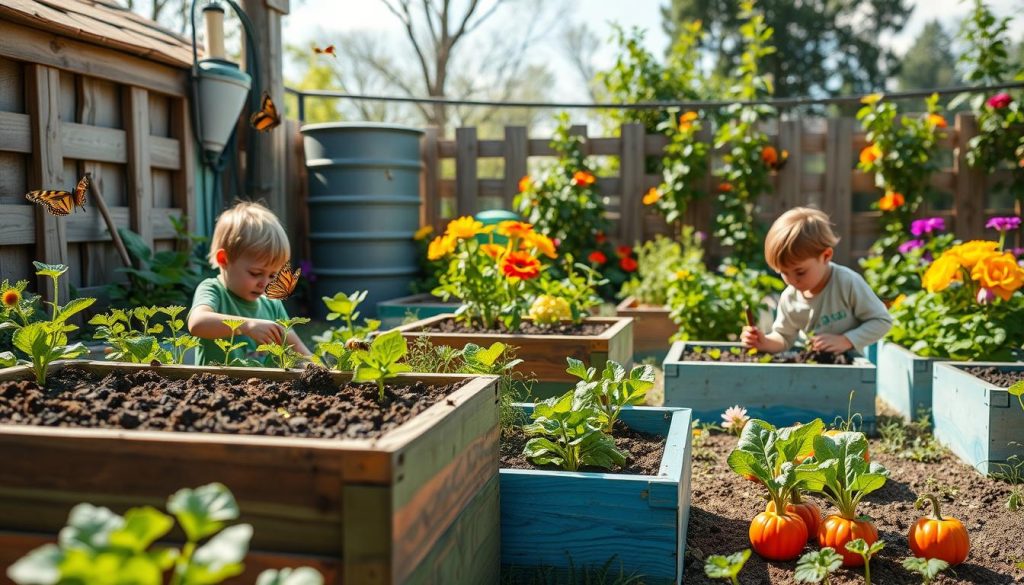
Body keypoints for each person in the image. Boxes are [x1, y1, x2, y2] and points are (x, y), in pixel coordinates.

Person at [741, 207, 892, 355]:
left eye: (800, 272)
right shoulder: (789, 298)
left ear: (826, 256)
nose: (792, 281)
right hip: (811, 369)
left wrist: (846, 340)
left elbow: (881, 321)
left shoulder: (846, 283)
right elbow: (784, 338)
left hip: (850, 370)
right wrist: (764, 342)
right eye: (783, 273)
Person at [188, 201, 311, 365]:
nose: (265, 283)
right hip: (214, 388)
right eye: (256, 273)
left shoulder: (272, 306)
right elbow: (197, 323)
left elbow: (301, 353)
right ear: (224, 260)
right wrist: (246, 326)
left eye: (273, 275)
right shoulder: (213, 290)